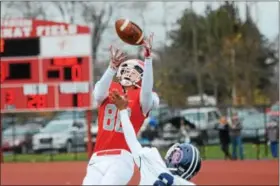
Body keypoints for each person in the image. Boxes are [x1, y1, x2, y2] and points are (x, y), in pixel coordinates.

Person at [83, 34, 160, 185]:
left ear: (142, 76)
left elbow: (146, 93)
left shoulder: (144, 97)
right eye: (127, 69)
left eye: (135, 70)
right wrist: (111, 68)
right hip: (97, 157)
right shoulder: (110, 89)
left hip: (121, 157)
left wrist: (148, 60)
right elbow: (97, 95)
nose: (129, 72)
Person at [111, 90, 201, 185]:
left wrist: (123, 111)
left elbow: (131, 140)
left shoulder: (152, 159)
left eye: (176, 155)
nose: (173, 154)